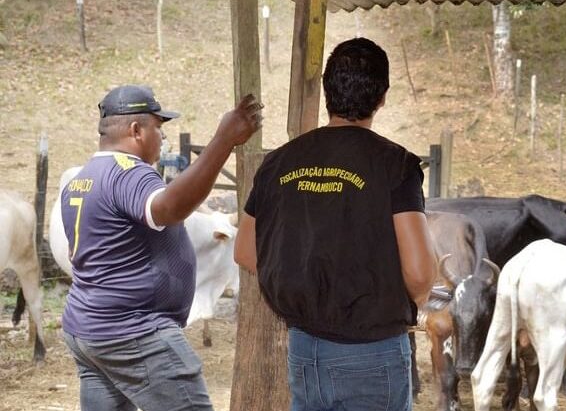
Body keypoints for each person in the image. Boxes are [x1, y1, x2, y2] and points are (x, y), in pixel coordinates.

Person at [234, 37, 437, 411]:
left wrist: (306, 285)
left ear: (327, 89)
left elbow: (246, 250)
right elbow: (421, 274)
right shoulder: (395, 166)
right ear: (382, 96)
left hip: (304, 348)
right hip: (371, 354)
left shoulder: (279, 163)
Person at [60, 84, 262, 411]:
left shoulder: (81, 179)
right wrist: (223, 141)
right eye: (159, 128)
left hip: (89, 332)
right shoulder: (127, 173)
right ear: (136, 130)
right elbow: (169, 208)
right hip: (133, 334)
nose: (163, 139)